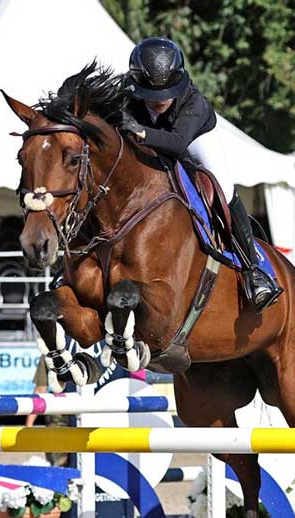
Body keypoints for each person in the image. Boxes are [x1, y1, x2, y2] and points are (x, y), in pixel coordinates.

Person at [119, 36, 283, 312]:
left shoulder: (195, 103)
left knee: (224, 189)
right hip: (152, 140)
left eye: (167, 92)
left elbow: (177, 143)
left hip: (195, 142)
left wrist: (139, 131)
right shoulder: (127, 94)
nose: (161, 100)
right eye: (153, 94)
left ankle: (253, 269)